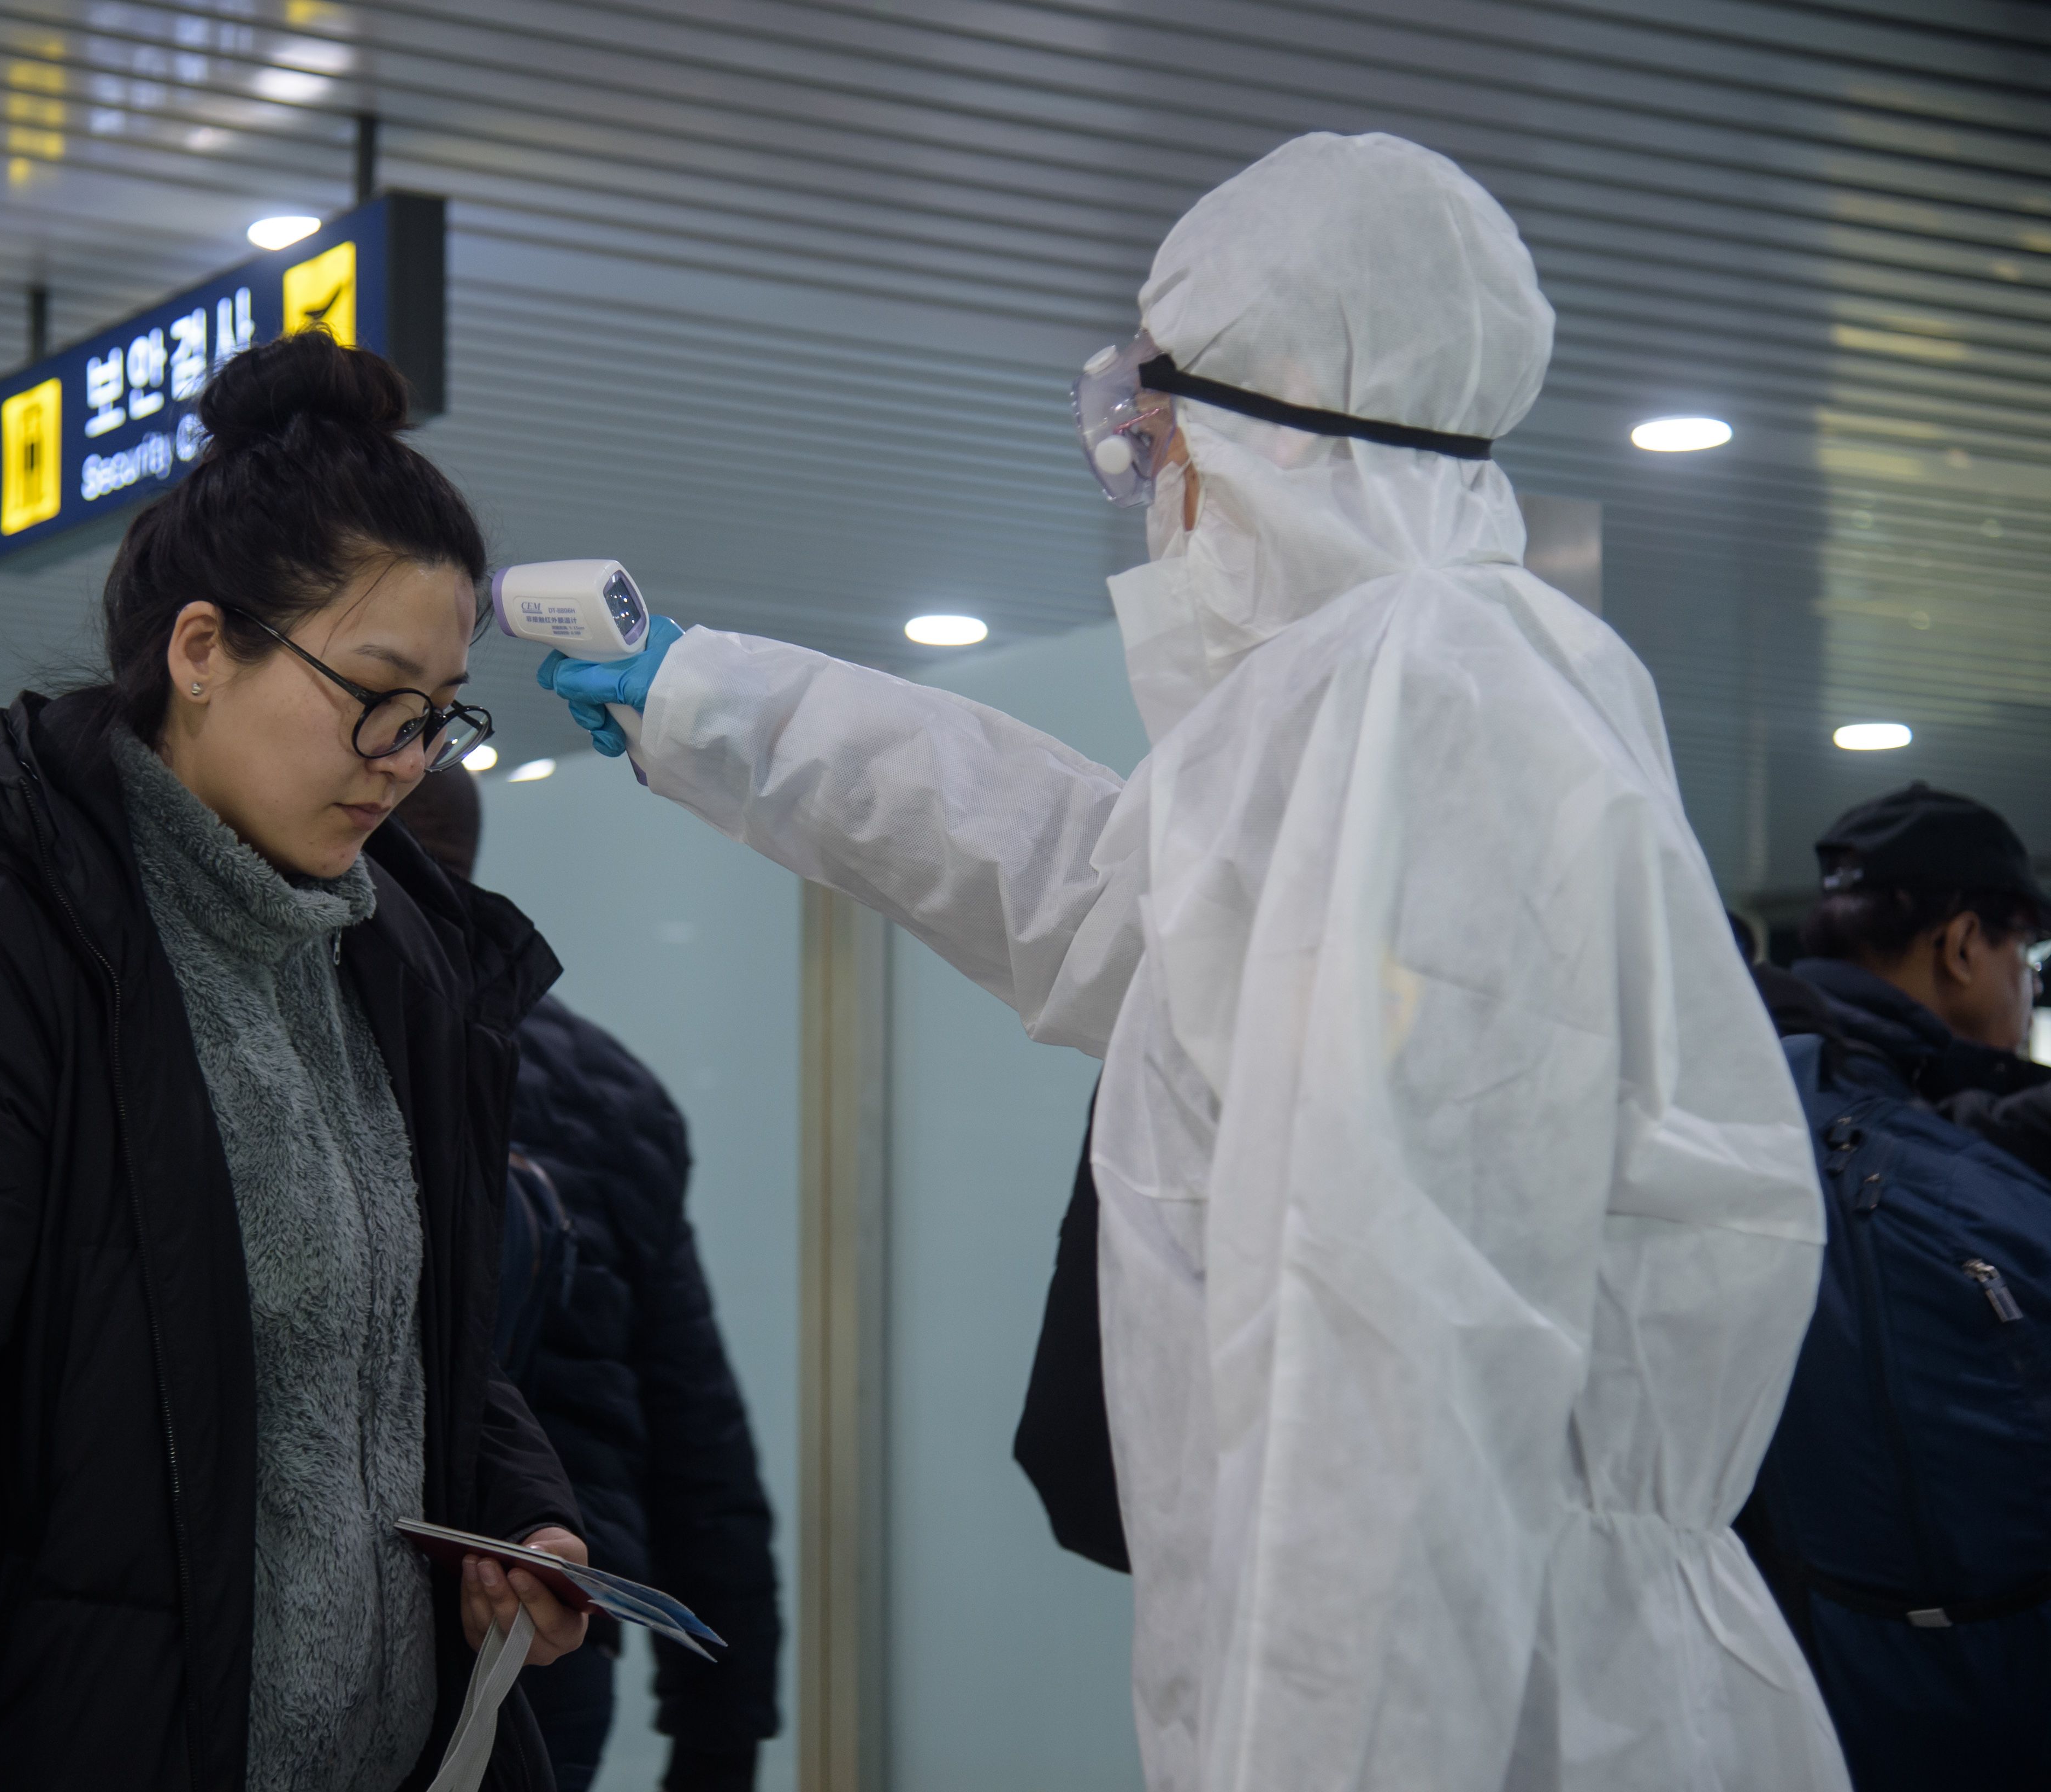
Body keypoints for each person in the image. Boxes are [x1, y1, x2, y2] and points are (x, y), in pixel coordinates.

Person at [538, 132, 1846, 1790]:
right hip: (1479, 1666)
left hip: (1492, 1709)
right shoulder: (1390, 689)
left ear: (1276, 415)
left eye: (1149, 437)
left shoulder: (1425, 705)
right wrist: (713, 706)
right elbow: (1099, 898)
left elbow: (1383, 1375)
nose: (1148, 489)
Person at [0, 331, 589, 1792]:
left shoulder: (397, 960)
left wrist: (520, 1514)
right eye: (374, 692)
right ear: (200, 650)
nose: (405, 757)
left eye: (440, 715)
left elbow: (403, 1333)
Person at [391, 769, 782, 1792]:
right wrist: (721, 1729)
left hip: (357, 1613)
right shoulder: (618, 1098)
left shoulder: (326, 1045)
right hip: (548, 1632)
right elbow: (697, 1433)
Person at [1739, 782, 2051, 1787]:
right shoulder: (1914, 1159)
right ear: (1965, 946)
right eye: (2024, 959)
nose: (2026, 990)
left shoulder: (1754, 1083)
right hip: (1956, 1708)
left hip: (1784, 1671)